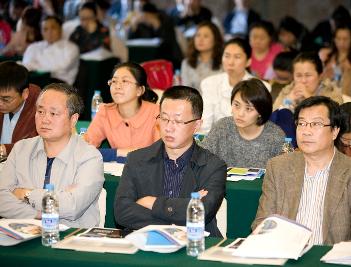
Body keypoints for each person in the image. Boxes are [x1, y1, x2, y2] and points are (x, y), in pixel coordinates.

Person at [252, 96, 351, 245]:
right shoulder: (277, 167)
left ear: (335, 131)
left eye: (316, 124)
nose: (306, 131)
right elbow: (262, 223)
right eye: (302, 123)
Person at [114, 86, 226, 237]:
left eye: (178, 121)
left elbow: (202, 213)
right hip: (146, 244)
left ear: (197, 125)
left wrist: (152, 203)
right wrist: (177, 222)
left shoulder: (213, 166)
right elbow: (122, 212)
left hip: (195, 246)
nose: (168, 128)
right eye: (164, 118)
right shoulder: (137, 159)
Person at [0, 83, 104, 228]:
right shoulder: (21, 149)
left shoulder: (89, 157)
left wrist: (27, 194)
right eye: (40, 112)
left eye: (53, 113)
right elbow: (2, 199)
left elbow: (72, 206)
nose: (45, 119)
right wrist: (40, 215)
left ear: (73, 119)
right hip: (23, 235)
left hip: (70, 241)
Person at [84, 62, 160, 161]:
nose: (118, 86)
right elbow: (84, 150)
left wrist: (115, 154)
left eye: (125, 81)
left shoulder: (157, 112)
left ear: (140, 90)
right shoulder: (105, 111)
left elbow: (160, 153)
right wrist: (118, 153)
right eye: (114, 81)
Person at [201, 78, 285, 168]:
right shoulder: (222, 127)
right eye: (236, 105)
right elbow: (201, 159)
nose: (240, 114)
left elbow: (284, 173)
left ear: (261, 112)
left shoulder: (275, 136)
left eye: (248, 109)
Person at [200, 37, 271, 134]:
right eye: (227, 56)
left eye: (237, 57)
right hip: (214, 139)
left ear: (248, 61)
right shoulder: (209, 83)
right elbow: (205, 124)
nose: (230, 62)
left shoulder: (263, 87)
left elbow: (260, 124)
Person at [273, 52, 343, 112]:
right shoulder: (287, 91)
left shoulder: (332, 93)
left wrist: (310, 99)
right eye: (299, 76)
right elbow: (272, 121)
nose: (303, 80)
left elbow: (334, 119)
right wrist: (287, 101)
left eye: (308, 75)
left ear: (320, 76)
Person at [22, 15, 80, 85]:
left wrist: (35, 66)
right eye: (45, 29)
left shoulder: (71, 48)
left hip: (59, 86)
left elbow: (61, 69)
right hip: (33, 83)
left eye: (53, 28)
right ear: (41, 32)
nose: (49, 32)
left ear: (61, 29)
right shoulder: (33, 47)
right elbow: (25, 67)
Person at [0, 61, 40, 157]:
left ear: (24, 93)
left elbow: (39, 143)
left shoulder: (41, 108)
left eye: (6, 99)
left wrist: (5, 150)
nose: (0, 103)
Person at [127, 3, 183, 69]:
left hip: (167, 55)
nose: (146, 19)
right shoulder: (141, 24)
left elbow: (168, 41)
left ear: (155, 15)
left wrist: (156, 24)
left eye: (148, 16)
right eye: (145, 17)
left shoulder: (165, 20)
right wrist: (133, 27)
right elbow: (130, 40)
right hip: (146, 56)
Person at [181, 21, 223, 89]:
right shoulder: (187, 63)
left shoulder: (223, 63)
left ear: (215, 40)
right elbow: (185, 91)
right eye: (198, 35)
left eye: (206, 36)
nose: (200, 40)